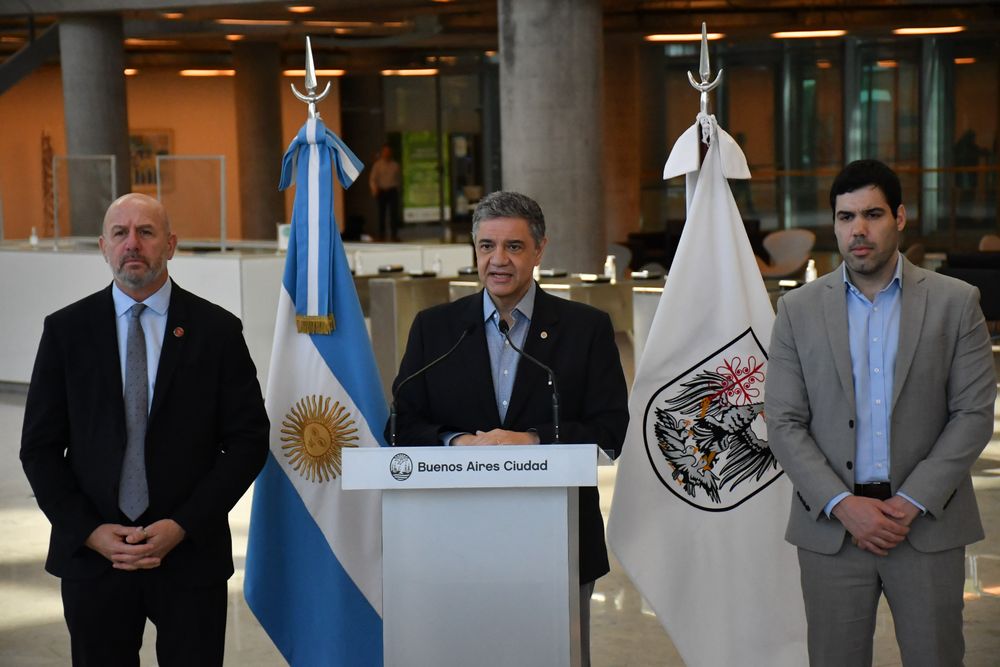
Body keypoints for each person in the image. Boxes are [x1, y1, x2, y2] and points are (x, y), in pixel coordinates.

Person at [20, 193, 269, 666]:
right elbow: (40, 449)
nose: (132, 244)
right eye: (120, 233)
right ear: (103, 246)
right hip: (95, 558)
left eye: (146, 233)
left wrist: (183, 525)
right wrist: (88, 531)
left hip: (189, 554)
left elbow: (248, 440)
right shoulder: (65, 332)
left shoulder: (217, 331)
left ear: (170, 245)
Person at [765, 159, 996, 666]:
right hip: (832, 531)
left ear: (901, 216)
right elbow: (782, 421)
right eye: (846, 217)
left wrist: (911, 501)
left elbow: (974, 413)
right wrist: (843, 505)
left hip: (926, 527)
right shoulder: (796, 310)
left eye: (872, 214)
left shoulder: (956, 303)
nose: (859, 230)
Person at [386, 190, 629, 664]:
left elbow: (611, 428)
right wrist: (456, 442)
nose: (498, 260)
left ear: (540, 250)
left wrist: (532, 440)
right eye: (486, 246)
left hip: (559, 544)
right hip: (453, 541)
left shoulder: (586, 328)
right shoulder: (435, 328)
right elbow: (398, 424)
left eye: (514, 247)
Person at [369, 143, 401, 241]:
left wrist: (398, 190)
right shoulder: (377, 165)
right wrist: (375, 190)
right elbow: (372, 179)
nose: (387, 154)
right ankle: (381, 234)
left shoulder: (395, 165)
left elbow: (399, 179)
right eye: (385, 152)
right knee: (381, 214)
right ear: (382, 153)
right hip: (382, 191)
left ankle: (394, 235)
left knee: (393, 214)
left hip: (392, 191)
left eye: (388, 152)